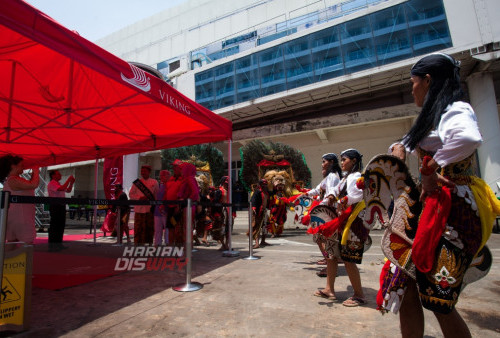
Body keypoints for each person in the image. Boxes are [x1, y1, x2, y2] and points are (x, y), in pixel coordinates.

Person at [388, 53, 500, 337]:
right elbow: (410, 142)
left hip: (453, 212)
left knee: (438, 300)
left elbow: (468, 139)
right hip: (432, 208)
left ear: (428, 81)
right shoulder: (435, 115)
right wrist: (399, 149)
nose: (411, 88)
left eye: (414, 82)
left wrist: (431, 168)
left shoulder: (456, 108)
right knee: (406, 285)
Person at [332, 148, 367, 306]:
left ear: (353, 161)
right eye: (341, 160)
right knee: (345, 258)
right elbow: (336, 191)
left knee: (349, 259)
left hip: (353, 222)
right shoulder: (345, 178)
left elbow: (357, 195)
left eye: (344, 159)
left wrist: (341, 200)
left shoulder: (357, 176)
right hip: (345, 220)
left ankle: (359, 295)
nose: (342, 163)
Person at [303, 153, 342, 294]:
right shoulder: (331, 177)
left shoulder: (333, 177)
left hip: (328, 214)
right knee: (321, 240)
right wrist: (304, 193)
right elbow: (317, 190)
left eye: (324, 161)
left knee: (327, 243)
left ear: (331, 162)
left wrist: (317, 209)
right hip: (326, 212)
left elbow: (330, 195)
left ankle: (330, 270)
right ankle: (329, 282)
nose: (322, 164)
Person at [0, 155, 40, 245]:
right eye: (21, 165)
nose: (23, 167)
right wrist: (36, 170)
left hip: (16, 217)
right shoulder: (13, 180)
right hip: (21, 218)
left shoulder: (14, 180)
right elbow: (33, 185)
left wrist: (34, 175)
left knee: (13, 244)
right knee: (26, 245)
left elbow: (29, 186)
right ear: (13, 166)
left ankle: (13, 259)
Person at [129, 165, 159, 246]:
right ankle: (137, 243)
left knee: (149, 227)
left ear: (149, 172)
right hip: (139, 209)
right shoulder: (137, 183)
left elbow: (156, 196)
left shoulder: (154, 182)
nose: (143, 173)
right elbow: (131, 194)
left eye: (145, 171)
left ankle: (149, 243)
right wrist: (139, 198)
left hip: (149, 209)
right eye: (142, 171)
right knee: (138, 227)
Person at [47, 170, 75, 251]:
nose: (60, 175)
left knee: (61, 225)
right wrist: (69, 180)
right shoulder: (52, 183)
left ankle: (59, 243)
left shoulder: (58, 184)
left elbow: (68, 190)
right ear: (53, 175)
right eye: (58, 174)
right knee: (55, 226)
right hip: (55, 206)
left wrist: (71, 183)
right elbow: (62, 188)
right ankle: (52, 245)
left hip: (61, 206)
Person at [165, 160, 184, 245]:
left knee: (178, 228)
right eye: (173, 167)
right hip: (170, 208)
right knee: (170, 227)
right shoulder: (170, 179)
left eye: (175, 167)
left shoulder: (184, 180)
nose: (174, 168)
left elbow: (184, 194)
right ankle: (170, 246)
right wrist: (163, 205)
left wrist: (178, 205)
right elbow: (166, 192)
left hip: (179, 209)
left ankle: (179, 247)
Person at [249, 178, 269, 249]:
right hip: (257, 212)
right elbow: (253, 200)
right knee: (256, 227)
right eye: (263, 185)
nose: (265, 186)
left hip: (264, 212)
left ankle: (263, 241)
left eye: (266, 185)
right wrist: (254, 209)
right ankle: (257, 243)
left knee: (265, 227)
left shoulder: (266, 193)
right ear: (260, 185)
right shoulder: (257, 192)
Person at [154, 170, 170, 246]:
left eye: (163, 175)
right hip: (157, 210)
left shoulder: (170, 185)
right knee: (157, 229)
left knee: (167, 229)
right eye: (160, 175)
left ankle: (168, 244)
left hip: (166, 210)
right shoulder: (159, 185)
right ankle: (157, 244)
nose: (161, 177)